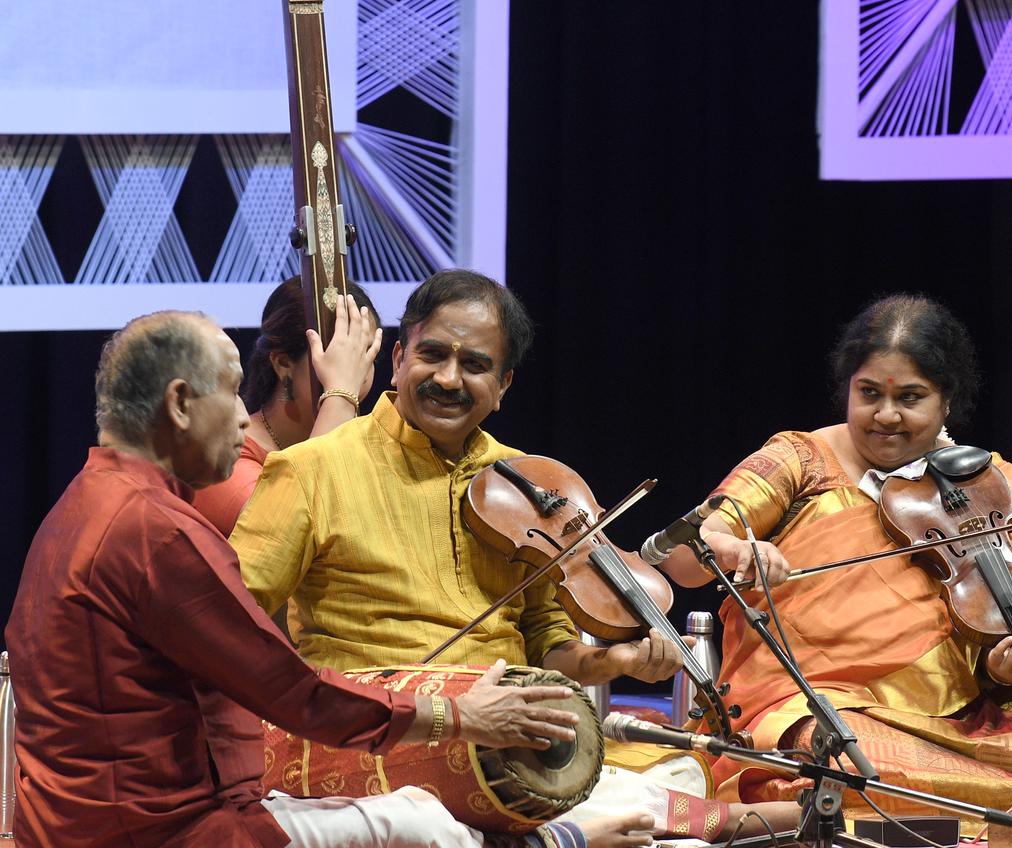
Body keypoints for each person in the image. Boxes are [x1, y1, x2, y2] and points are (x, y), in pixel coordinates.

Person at [5, 310, 648, 848]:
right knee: (422, 824)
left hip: (84, 821)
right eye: (231, 393)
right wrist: (454, 716)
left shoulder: (82, 505)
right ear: (178, 403)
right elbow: (290, 691)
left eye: (476, 365)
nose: (244, 420)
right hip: (157, 830)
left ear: (503, 384)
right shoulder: (157, 530)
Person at [230, 270, 799, 842]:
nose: (449, 379)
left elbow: (547, 647)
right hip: (382, 725)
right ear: (399, 358)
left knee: (645, 770)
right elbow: (229, 621)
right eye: (432, 355)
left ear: (503, 386)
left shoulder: (530, 485)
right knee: (481, 793)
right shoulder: (312, 470)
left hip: (512, 730)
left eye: (475, 366)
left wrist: (615, 664)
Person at [658, 294, 1012, 828]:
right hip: (822, 709)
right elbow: (686, 556)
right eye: (869, 394)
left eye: (910, 398)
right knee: (866, 771)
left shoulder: (990, 485)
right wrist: (728, 545)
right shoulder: (799, 457)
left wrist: (1004, 668)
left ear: (947, 401)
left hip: (960, 723)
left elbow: (996, 656)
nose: (885, 415)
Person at [192, 277, 383, 536]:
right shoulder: (229, 459)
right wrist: (340, 393)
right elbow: (285, 540)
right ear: (283, 363)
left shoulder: (374, 448)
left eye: (365, 355)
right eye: (339, 357)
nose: (355, 373)